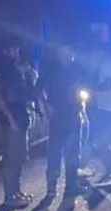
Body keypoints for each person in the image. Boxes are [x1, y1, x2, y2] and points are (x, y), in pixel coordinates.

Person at [39, 45, 87, 197]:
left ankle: (71, 185)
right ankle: (51, 188)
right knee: (55, 152)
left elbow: (83, 90)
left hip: (73, 115)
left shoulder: (77, 69)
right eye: (63, 52)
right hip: (58, 116)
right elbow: (38, 89)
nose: (66, 55)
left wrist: (82, 108)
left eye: (69, 52)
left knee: (73, 153)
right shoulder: (52, 69)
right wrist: (47, 106)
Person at [0, 41, 32, 208]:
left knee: (20, 156)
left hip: (20, 118)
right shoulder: (3, 68)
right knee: (12, 158)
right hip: (12, 120)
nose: (17, 51)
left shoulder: (14, 68)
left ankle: (16, 191)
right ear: (6, 49)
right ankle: (10, 196)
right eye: (14, 48)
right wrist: (11, 119)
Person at [87, 32, 111, 182]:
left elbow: (108, 84)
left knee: (108, 140)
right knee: (109, 140)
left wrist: (91, 88)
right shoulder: (109, 62)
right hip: (107, 107)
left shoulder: (110, 63)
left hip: (110, 108)